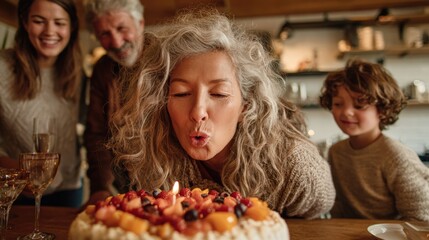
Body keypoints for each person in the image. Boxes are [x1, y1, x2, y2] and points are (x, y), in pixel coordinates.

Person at [108, 10, 335, 219]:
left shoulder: (295, 167)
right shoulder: (153, 155)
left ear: (246, 105)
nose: (198, 112)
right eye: (181, 93)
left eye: (218, 94)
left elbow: (320, 220)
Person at [319, 59, 429, 221]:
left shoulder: (396, 155)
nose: (346, 112)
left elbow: (421, 216)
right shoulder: (336, 151)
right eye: (338, 104)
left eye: (359, 105)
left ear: (383, 110)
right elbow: (338, 207)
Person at [0, 0, 83, 207]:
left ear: (71, 27)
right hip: (14, 191)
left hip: (69, 190)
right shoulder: (2, 68)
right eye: (39, 21)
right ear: (25, 23)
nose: (49, 31)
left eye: (59, 23)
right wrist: (18, 172)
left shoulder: (77, 72)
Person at [83, 0, 145, 205]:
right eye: (105, 34)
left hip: (173, 184)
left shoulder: (168, 59)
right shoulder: (102, 69)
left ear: (140, 24)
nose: (117, 43)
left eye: (121, 29)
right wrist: (100, 187)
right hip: (122, 187)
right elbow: (96, 133)